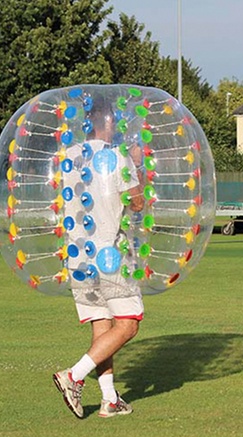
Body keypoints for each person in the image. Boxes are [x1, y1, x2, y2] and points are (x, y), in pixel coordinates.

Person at [52, 95, 145, 419]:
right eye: (116, 122)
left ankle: (109, 399)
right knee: (128, 324)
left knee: (102, 327)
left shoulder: (71, 155)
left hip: (77, 254)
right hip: (109, 255)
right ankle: (73, 376)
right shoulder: (118, 156)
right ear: (107, 122)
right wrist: (137, 163)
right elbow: (137, 203)